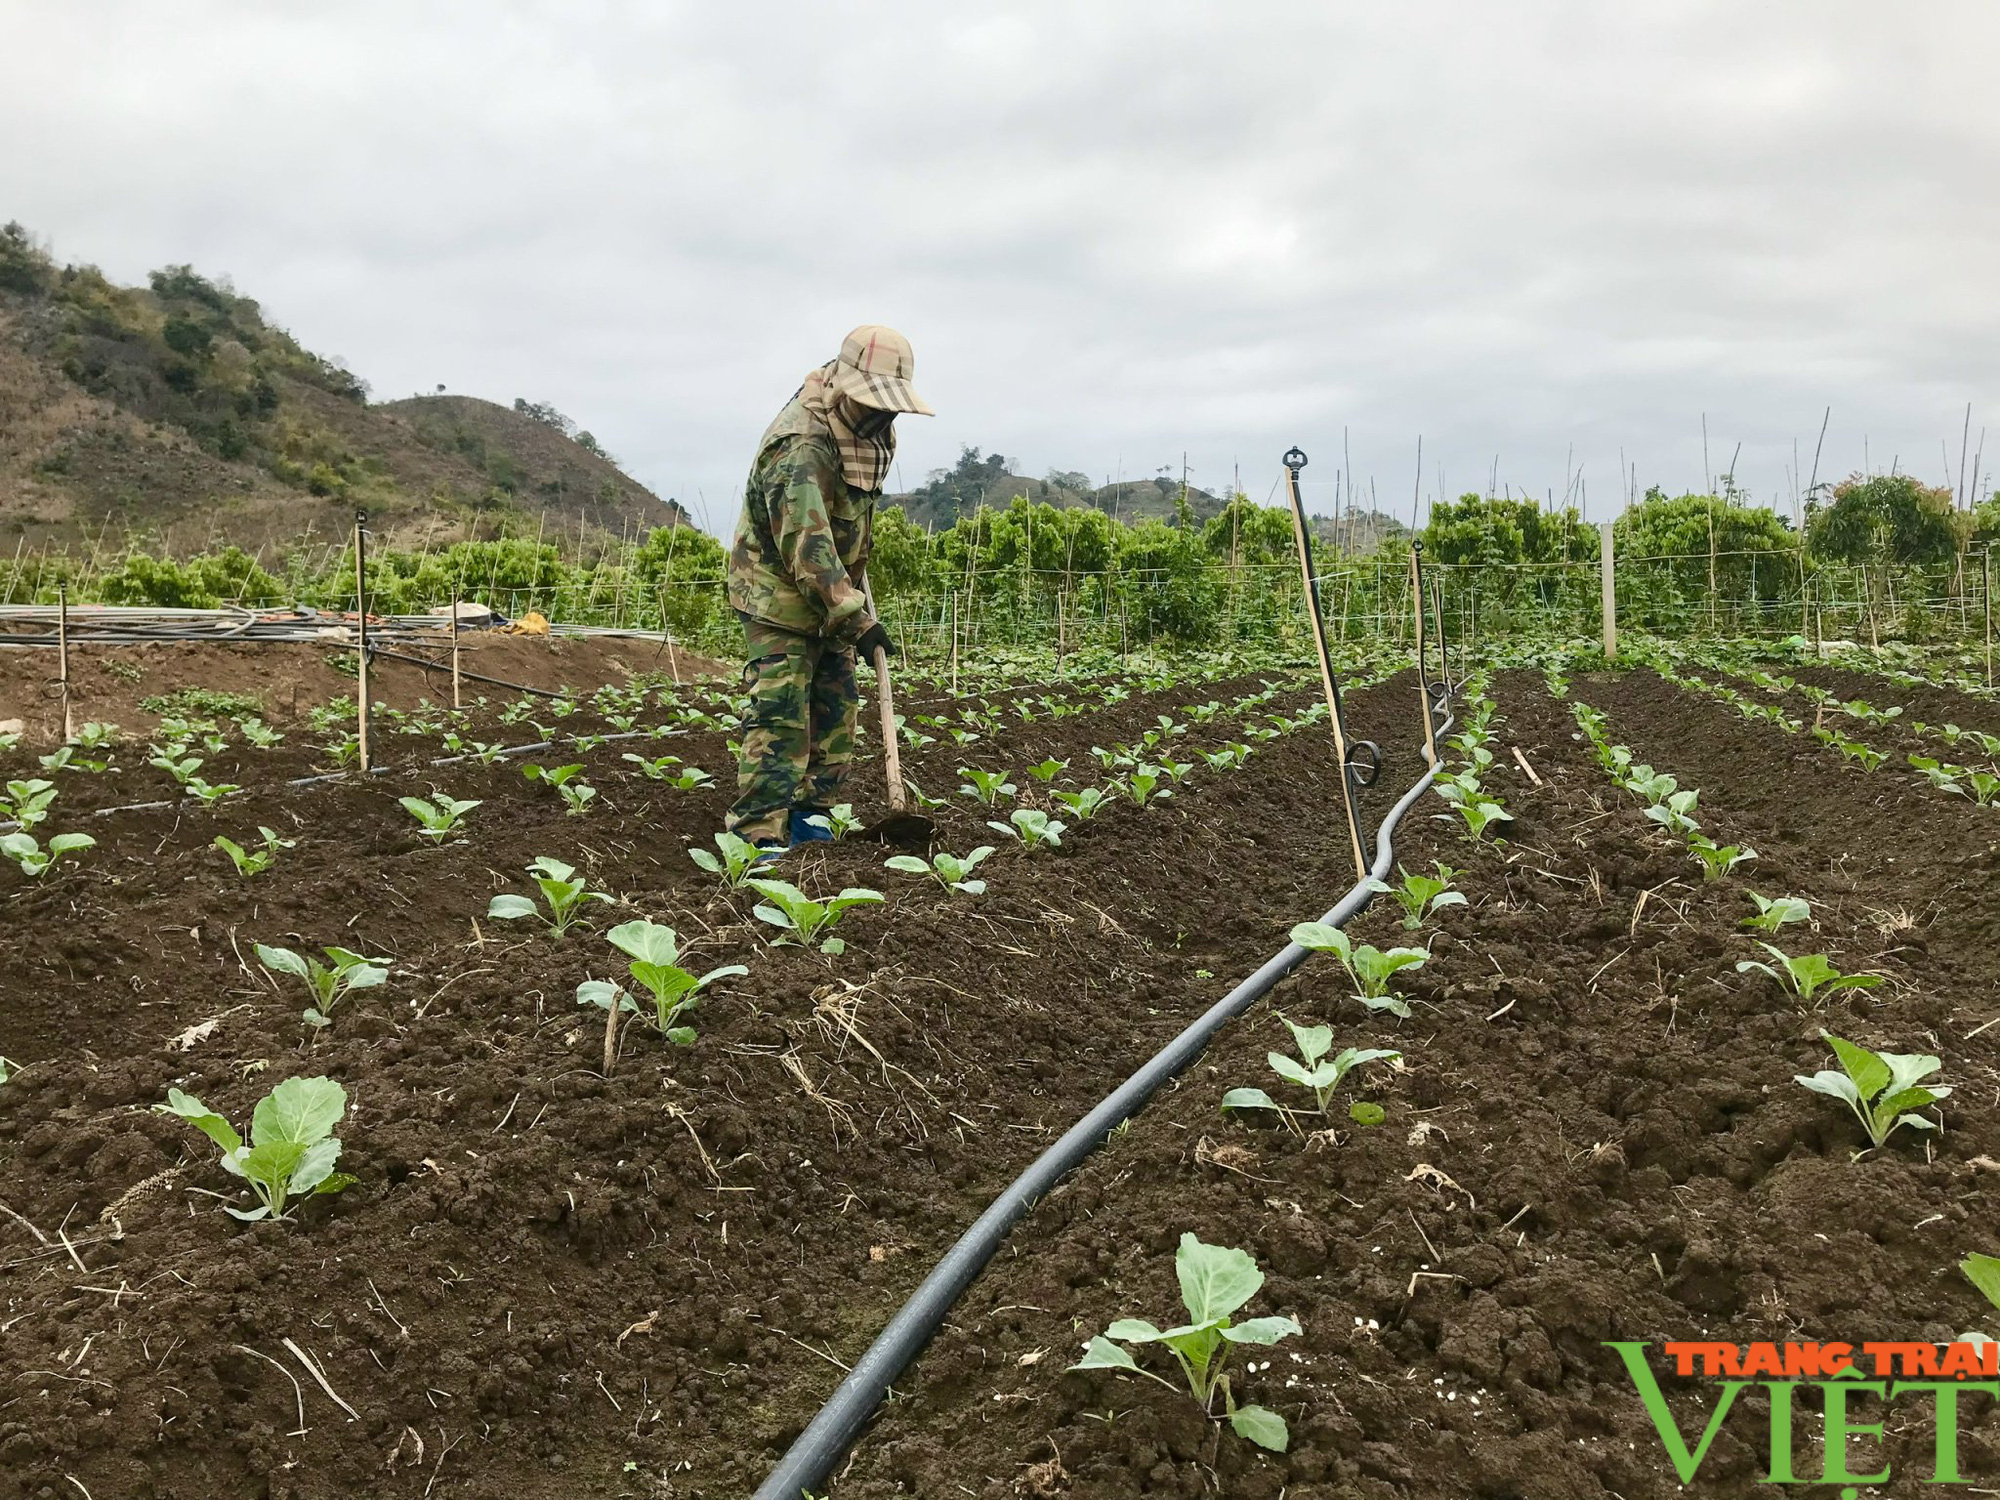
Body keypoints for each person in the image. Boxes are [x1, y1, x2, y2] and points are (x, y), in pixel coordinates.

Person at [722, 325, 933, 855]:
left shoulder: (867, 430)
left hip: (833, 593)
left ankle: (811, 816)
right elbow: (807, 548)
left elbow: (847, 524)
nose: (881, 415)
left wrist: (852, 594)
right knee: (781, 714)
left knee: (836, 713)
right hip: (779, 593)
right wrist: (857, 619)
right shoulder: (801, 445)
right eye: (872, 404)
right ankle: (758, 834)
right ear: (844, 388)